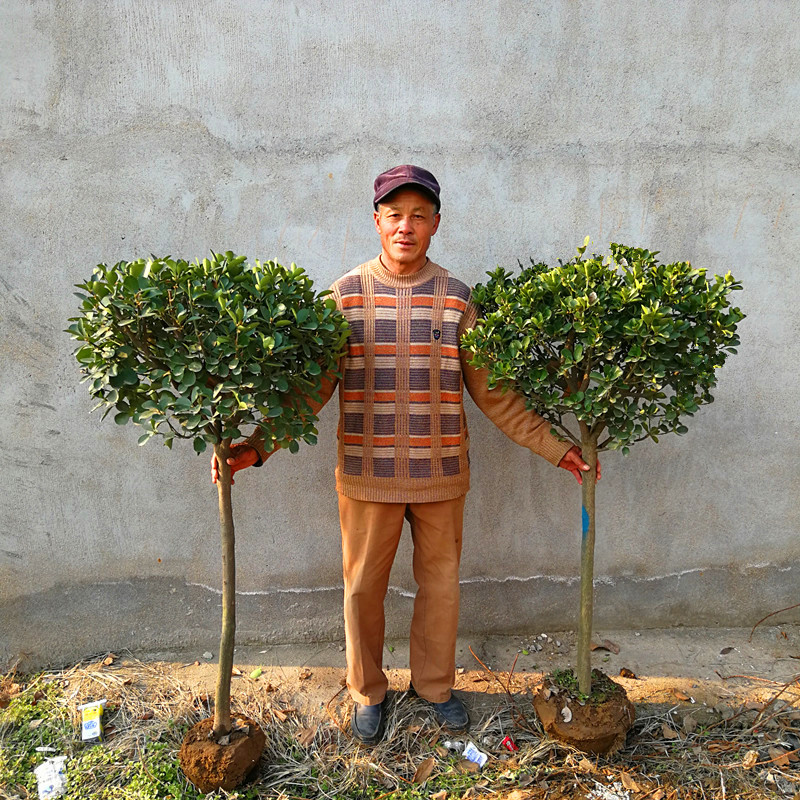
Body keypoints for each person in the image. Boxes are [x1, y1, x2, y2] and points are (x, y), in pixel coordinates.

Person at [211, 165, 599, 744]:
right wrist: (255, 449)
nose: (406, 226)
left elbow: (496, 394)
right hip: (367, 478)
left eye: (419, 215)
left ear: (436, 223)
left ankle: (436, 687)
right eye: (394, 215)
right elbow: (310, 390)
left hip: (441, 475)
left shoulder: (458, 300)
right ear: (376, 221)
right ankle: (368, 691)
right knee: (363, 589)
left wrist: (557, 449)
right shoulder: (341, 299)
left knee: (441, 588)